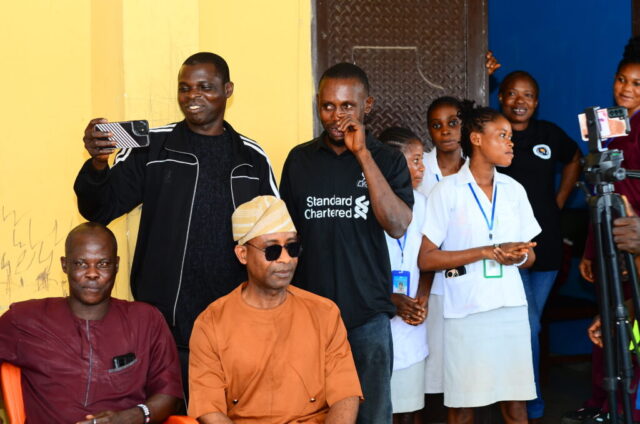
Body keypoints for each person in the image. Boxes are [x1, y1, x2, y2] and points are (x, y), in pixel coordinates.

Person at [74, 52, 279, 391]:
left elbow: (276, 238)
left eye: (205, 87)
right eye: (185, 88)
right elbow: (99, 210)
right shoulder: (151, 148)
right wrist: (98, 164)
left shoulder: (251, 157)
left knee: (225, 411)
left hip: (233, 325)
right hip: (163, 326)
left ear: (228, 90)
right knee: (165, 409)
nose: (193, 96)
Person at [279, 63, 414, 423]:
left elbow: (397, 224)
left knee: (372, 415)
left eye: (347, 106)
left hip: (367, 315)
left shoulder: (387, 159)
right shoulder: (300, 160)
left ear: (367, 105)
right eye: (327, 106)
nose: (336, 116)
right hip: (308, 316)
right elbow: (285, 235)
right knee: (311, 415)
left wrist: (363, 154)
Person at [188, 195, 362, 423]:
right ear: (242, 254)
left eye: (292, 248)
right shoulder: (211, 323)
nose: (286, 259)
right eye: (272, 250)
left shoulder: (324, 313)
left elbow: (346, 395)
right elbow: (209, 410)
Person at [419, 102, 540, 424]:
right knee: (462, 405)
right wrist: (487, 251)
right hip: (466, 309)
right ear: (476, 139)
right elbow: (427, 258)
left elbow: (531, 256)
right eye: (502, 135)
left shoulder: (514, 190)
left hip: (510, 307)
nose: (510, 142)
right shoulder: (447, 191)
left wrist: (518, 255)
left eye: (510, 136)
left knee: (516, 404)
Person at [0, 222, 182, 423]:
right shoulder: (24, 319)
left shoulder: (146, 320)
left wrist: (129, 418)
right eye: (81, 263)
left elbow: (170, 395)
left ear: (116, 265)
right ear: (65, 265)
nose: (93, 273)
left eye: (103, 264)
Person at [496, 69, 582, 422]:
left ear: (537, 101)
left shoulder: (548, 134)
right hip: (504, 250)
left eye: (528, 95)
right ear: (500, 97)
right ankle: (526, 401)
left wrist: (559, 201)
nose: (520, 101)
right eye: (512, 94)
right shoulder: (495, 134)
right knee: (526, 324)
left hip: (545, 248)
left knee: (528, 323)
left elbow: (575, 159)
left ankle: (521, 399)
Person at [565, 36, 640, 424]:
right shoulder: (608, 123)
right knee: (607, 321)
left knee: (630, 326)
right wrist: (590, 250)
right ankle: (601, 401)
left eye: (637, 84)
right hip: (605, 234)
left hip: (634, 242)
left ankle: (625, 406)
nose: (626, 89)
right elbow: (599, 190)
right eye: (621, 80)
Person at [418, 96, 466, 408]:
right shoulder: (419, 167)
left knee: (463, 359)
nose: (445, 131)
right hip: (427, 275)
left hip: (466, 274)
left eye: (453, 123)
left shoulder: (475, 167)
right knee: (430, 355)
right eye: (437, 125)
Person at [379, 127, 430, 424]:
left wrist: (422, 299)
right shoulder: (369, 205)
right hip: (380, 312)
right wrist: (390, 298)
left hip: (412, 316)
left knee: (410, 407)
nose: (422, 168)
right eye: (415, 160)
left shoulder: (422, 204)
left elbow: (428, 258)